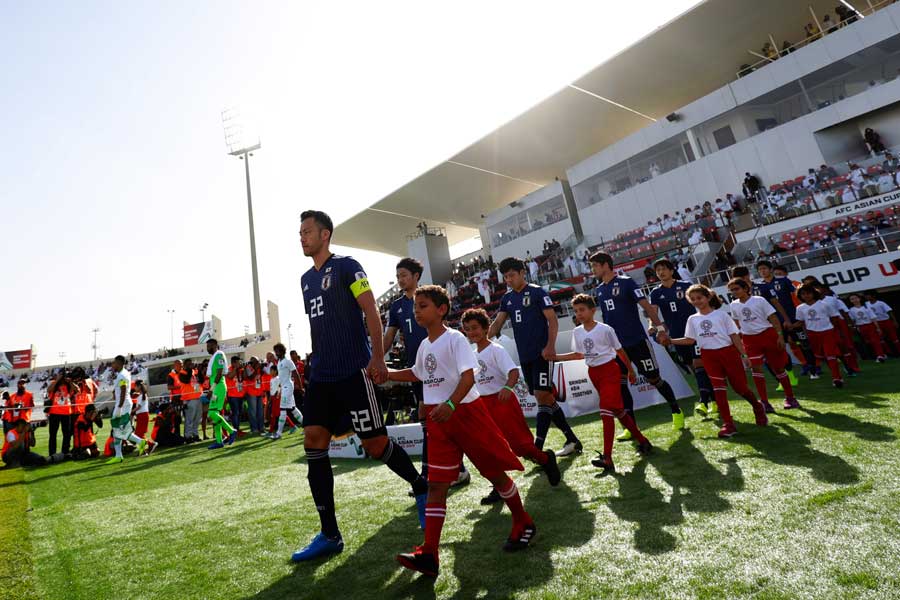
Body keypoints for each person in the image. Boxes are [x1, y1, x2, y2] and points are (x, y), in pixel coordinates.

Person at [293, 210, 428, 562]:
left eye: (307, 231)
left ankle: (419, 486)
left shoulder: (348, 267)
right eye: (300, 232)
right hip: (322, 374)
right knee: (313, 441)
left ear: (325, 235)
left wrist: (378, 358)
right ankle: (330, 534)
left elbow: (372, 312)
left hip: (354, 371)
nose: (302, 237)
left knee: (374, 444)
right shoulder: (306, 280)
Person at [389, 286, 536, 579]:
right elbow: (418, 374)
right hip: (438, 419)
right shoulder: (423, 345)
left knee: (493, 473)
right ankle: (429, 552)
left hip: (465, 413)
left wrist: (452, 403)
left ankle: (524, 521)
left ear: (442, 309)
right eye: (416, 307)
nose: (417, 311)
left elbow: (469, 377)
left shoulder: (454, 339)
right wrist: (386, 375)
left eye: (423, 305)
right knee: (437, 485)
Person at [383, 258, 469, 487]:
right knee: (428, 418)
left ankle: (430, 474)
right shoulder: (396, 307)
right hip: (417, 369)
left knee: (434, 417)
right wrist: (377, 360)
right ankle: (452, 470)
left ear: (415, 277)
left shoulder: (430, 299)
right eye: (398, 275)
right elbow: (390, 336)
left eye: (404, 275)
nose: (401, 279)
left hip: (438, 368)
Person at [462, 308, 560, 503]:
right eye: (467, 329)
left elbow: (513, 373)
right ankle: (499, 487)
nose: (472, 333)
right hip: (483, 406)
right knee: (490, 448)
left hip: (502, 403)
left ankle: (546, 459)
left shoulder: (496, 349)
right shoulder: (470, 355)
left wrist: (507, 388)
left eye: (475, 328)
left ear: (486, 327)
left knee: (520, 446)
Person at [488, 257, 582, 456]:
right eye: (505, 277)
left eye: (511, 275)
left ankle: (536, 447)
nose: (509, 280)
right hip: (525, 356)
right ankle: (572, 440)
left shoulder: (538, 292)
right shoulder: (507, 298)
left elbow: (553, 321)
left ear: (523, 272)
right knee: (545, 397)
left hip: (542, 354)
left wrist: (550, 346)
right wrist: (480, 338)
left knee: (541, 396)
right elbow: (497, 323)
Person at [589, 252, 685, 435]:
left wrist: (660, 329)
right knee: (621, 385)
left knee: (653, 379)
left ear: (605, 265)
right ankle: (630, 427)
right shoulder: (599, 290)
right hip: (617, 347)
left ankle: (676, 411)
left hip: (637, 341)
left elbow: (647, 307)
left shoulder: (626, 282)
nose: (593, 270)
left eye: (595, 266)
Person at [554, 294, 652, 472]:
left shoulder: (605, 329)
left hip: (610, 371)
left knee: (605, 411)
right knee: (618, 411)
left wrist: (630, 370)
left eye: (582, 310)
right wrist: (554, 357)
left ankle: (607, 457)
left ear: (593, 310)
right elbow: (578, 355)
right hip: (594, 373)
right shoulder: (577, 332)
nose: (579, 314)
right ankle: (643, 441)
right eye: (576, 311)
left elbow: (620, 351)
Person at [671, 285, 768, 438]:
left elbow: (735, 336)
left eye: (700, 298)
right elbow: (690, 340)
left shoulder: (721, 315)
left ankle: (757, 407)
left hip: (728, 354)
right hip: (709, 356)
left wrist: (744, 355)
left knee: (740, 388)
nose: (697, 301)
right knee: (718, 390)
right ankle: (728, 425)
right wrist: (670, 341)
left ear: (708, 297)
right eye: (693, 299)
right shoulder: (692, 319)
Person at [649, 259, 715, 417]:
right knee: (693, 368)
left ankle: (703, 402)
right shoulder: (656, 293)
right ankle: (714, 400)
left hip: (695, 332)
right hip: (677, 335)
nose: (661, 272)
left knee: (699, 364)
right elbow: (653, 313)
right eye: (658, 270)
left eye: (664, 269)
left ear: (672, 271)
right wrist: (654, 327)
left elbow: (708, 296)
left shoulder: (686, 286)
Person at [727, 278, 799, 410]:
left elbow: (773, 318)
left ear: (745, 288)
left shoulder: (759, 300)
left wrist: (780, 336)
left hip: (768, 335)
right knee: (756, 369)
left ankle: (790, 398)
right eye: (731, 290)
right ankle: (764, 402)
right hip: (750, 340)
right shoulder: (733, 305)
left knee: (778, 369)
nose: (734, 292)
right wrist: (740, 340)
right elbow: (736, 324)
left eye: (736, 289)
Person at [755, 261, 814, 379]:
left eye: (764, 268)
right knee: (783, 345)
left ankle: (813, 369)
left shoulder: (783, 281)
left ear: (770, 269)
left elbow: (797, 294)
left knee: (803, 343)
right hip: (775, 320)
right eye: (760, 269)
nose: (762, 271)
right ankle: (796, 369)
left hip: (792, 316)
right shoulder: (759, 286)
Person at [791, 284, 844, 387]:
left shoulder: (824, 304)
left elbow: (834, 317)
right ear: (800, 295)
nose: (806, 296)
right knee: (820, 356)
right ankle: (833, 373)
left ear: (813, 293)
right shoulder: (800, 308)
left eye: (808, 293)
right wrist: (790, 326)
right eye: (803, 294)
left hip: (827, 332)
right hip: (813, 334)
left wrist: (832, 329)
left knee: (830, 355)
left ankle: (837, 378)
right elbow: (801, 322)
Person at [107, 355, 148, 465]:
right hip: (122, 404)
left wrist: (119, 406)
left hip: (123, 405)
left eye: (114, 363)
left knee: (122, 430)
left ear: (119, 363)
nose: (112, 365)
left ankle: (140, 442)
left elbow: (124, 390)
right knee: (117, 430)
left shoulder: (122, 375)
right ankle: (118, 455)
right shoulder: (123, 373)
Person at [266, 343, 304, 440]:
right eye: (275, 351)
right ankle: (307, 426)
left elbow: (296, 374)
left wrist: (300, 387)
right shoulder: (279, 362)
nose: (276, 353)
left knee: (282, 410)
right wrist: (279, 389)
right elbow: (281, 378)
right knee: (293, 409)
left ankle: (278, 433)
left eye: (277, 351)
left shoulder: (288, 361)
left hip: (288, 387)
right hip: (284, 388)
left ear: (282, 351)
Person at [206, 338, 236, 449]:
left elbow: (219, 374)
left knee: (212, 414)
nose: (207, 348)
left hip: (218, 387)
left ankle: (231, 431)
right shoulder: (215, 356)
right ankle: (219, 441)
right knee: (214, 414)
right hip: (216, 388)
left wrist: (211, 389)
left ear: (215, 345)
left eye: (209, 346)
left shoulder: (219, 355)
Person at [846, 293, 887, 362]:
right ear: (850, 301)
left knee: (875, 341)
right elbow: (853, 320)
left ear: (859, 299)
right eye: (852, 299)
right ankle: (880, 354)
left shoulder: (866, 307)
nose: (855, 300)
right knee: (869, 342)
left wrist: (877, 327)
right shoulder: (851, 310)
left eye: (856, 298)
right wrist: (854, 327)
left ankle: (880, 356)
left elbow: (873, 318)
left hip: (870, 325)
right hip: (861, 327)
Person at [46, 371, 77, 456]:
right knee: (52, 434)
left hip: (66, 413)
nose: (63, 378)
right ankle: (52, 453)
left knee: (67, 434)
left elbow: (77, 389)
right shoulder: (54, 383)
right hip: (54, 413)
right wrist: (57, 380)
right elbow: (48, 390)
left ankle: (65, 452)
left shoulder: (68, 384)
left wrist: (70, 382)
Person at [180, 359, 203, 443]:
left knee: (197, 418)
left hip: (198, 397)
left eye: (192, 364)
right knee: (189, 419)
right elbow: (186, 380)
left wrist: (199, 371)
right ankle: (188, 436)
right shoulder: (182, 373)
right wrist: (190, 370)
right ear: (185, 365)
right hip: (189, 399)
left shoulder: (195, 371)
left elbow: (201, 380)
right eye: (189, 364)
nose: (191, 365)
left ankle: (195, 434)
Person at [244, 357, 265, 434]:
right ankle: (254, 428)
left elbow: (263, 374)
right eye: (253, 362)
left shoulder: (259, 368)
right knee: (253, 412)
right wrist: (256, 369)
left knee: (260, 411)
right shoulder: (248, 367)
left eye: (256, 362)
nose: (255, 363)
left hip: (259, 392)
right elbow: (250, 377)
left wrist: (261, 367)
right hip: (251, 392)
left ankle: (261, 428)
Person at [225, 356, 245, 435]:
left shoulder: (240, 369)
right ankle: (235, 430)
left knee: (239, 413)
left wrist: (243, 368)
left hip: (240, 394)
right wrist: (236, 368)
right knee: (235, 413)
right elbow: (230, 377)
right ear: (233, 363)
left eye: (239, 362)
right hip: (232, 395)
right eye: (237, 362)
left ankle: (238, 429)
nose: (238, 364)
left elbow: (245, 378)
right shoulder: (228, 369)